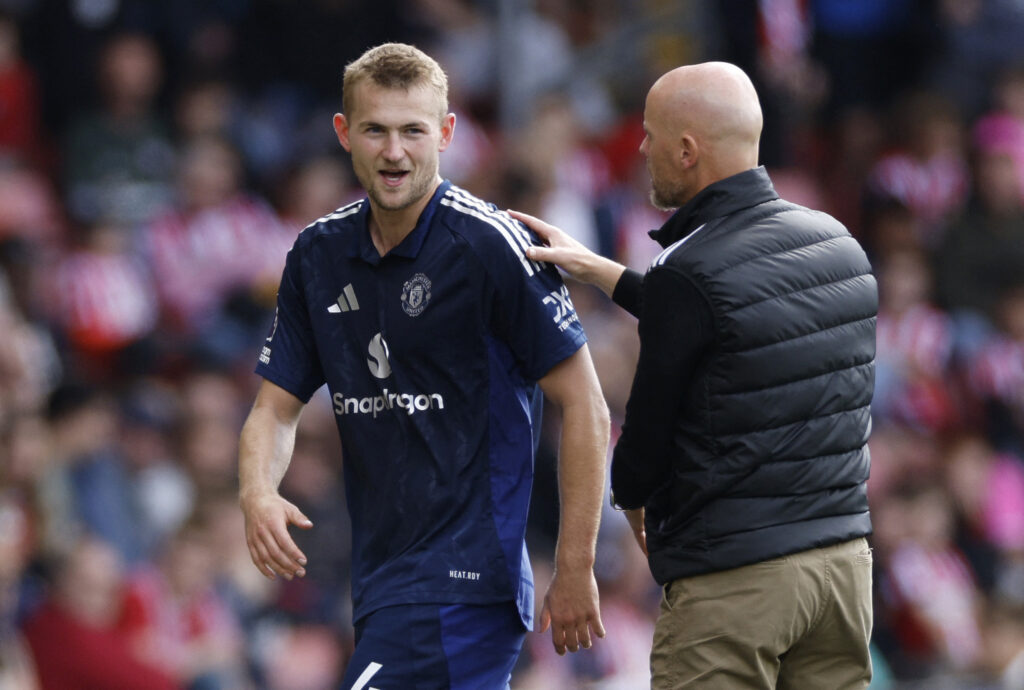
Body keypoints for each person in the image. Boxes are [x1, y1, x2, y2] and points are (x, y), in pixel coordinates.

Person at [238, 43, 609, 689]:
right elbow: (274, 408)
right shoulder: (316, 254)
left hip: (468, 579)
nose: (394, 151)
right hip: (384, 583)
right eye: (376, 130)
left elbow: (585, 404)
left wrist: (576, 563)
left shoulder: (490, 245)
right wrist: (257, 492)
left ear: (445, 133)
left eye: (413, 131)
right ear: (343, 132)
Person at [512, 61, 877, 689]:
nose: (642, 147)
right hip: (842, 576)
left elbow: (648, 436)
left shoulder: (690, 270)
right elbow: (739, 322)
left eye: (651, 135)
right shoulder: (837, 242)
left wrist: (629, 501)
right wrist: (605, 271)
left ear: (687, 151)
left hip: (736, 583)